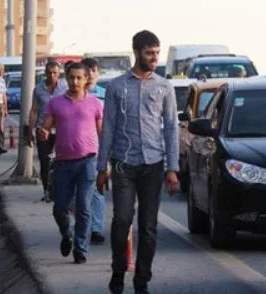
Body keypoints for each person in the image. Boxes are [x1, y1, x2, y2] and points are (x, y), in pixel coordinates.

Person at [97, 30, 179, 294]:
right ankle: (119, 270)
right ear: (137, 52)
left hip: (153, 165)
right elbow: (108, 127)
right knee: (122, 220)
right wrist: (101, 167)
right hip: (123, 164)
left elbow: (171, 128)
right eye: (149, 53)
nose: (154, 58)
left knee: (149, 226)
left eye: (157, 52)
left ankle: (142, 280)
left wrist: (172, 168)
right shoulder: (116, 87)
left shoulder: (164, 87)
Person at [38, 62, 104, 264]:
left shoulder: (95, 104)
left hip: (88, 162)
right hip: (63, 163)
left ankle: (80, 248)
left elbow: (102, 134)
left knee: (84, 206)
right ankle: (67, 233)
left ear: (86, 80)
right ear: (66, 79)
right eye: (71, 77)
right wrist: (44, 133)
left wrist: (105, 162)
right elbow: (46, 128)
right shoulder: (55, 103)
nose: (75, 82)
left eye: (79, 78)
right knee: (60, 208)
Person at [27, 61, 67, 202]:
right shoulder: (38, 89)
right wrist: (29, 131)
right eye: (49, 72)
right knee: (45, 162)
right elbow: (34, 111)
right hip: (42, 130)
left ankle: (59, 192)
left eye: (55, 73)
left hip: (62, 131)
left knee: (59, 163)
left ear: (59, 74)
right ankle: (47, 192)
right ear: (45, 73)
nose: (52, 75)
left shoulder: (65, 87)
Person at [81, 57, 107, 244]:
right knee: (78, 194)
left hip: (97, 150)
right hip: (74, 151)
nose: (90, 74)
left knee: (97, 191)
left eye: (93, 70)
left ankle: (96, 229)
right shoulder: (70, 96)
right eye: (87, 70)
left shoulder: (106, 96)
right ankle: (81, 226)